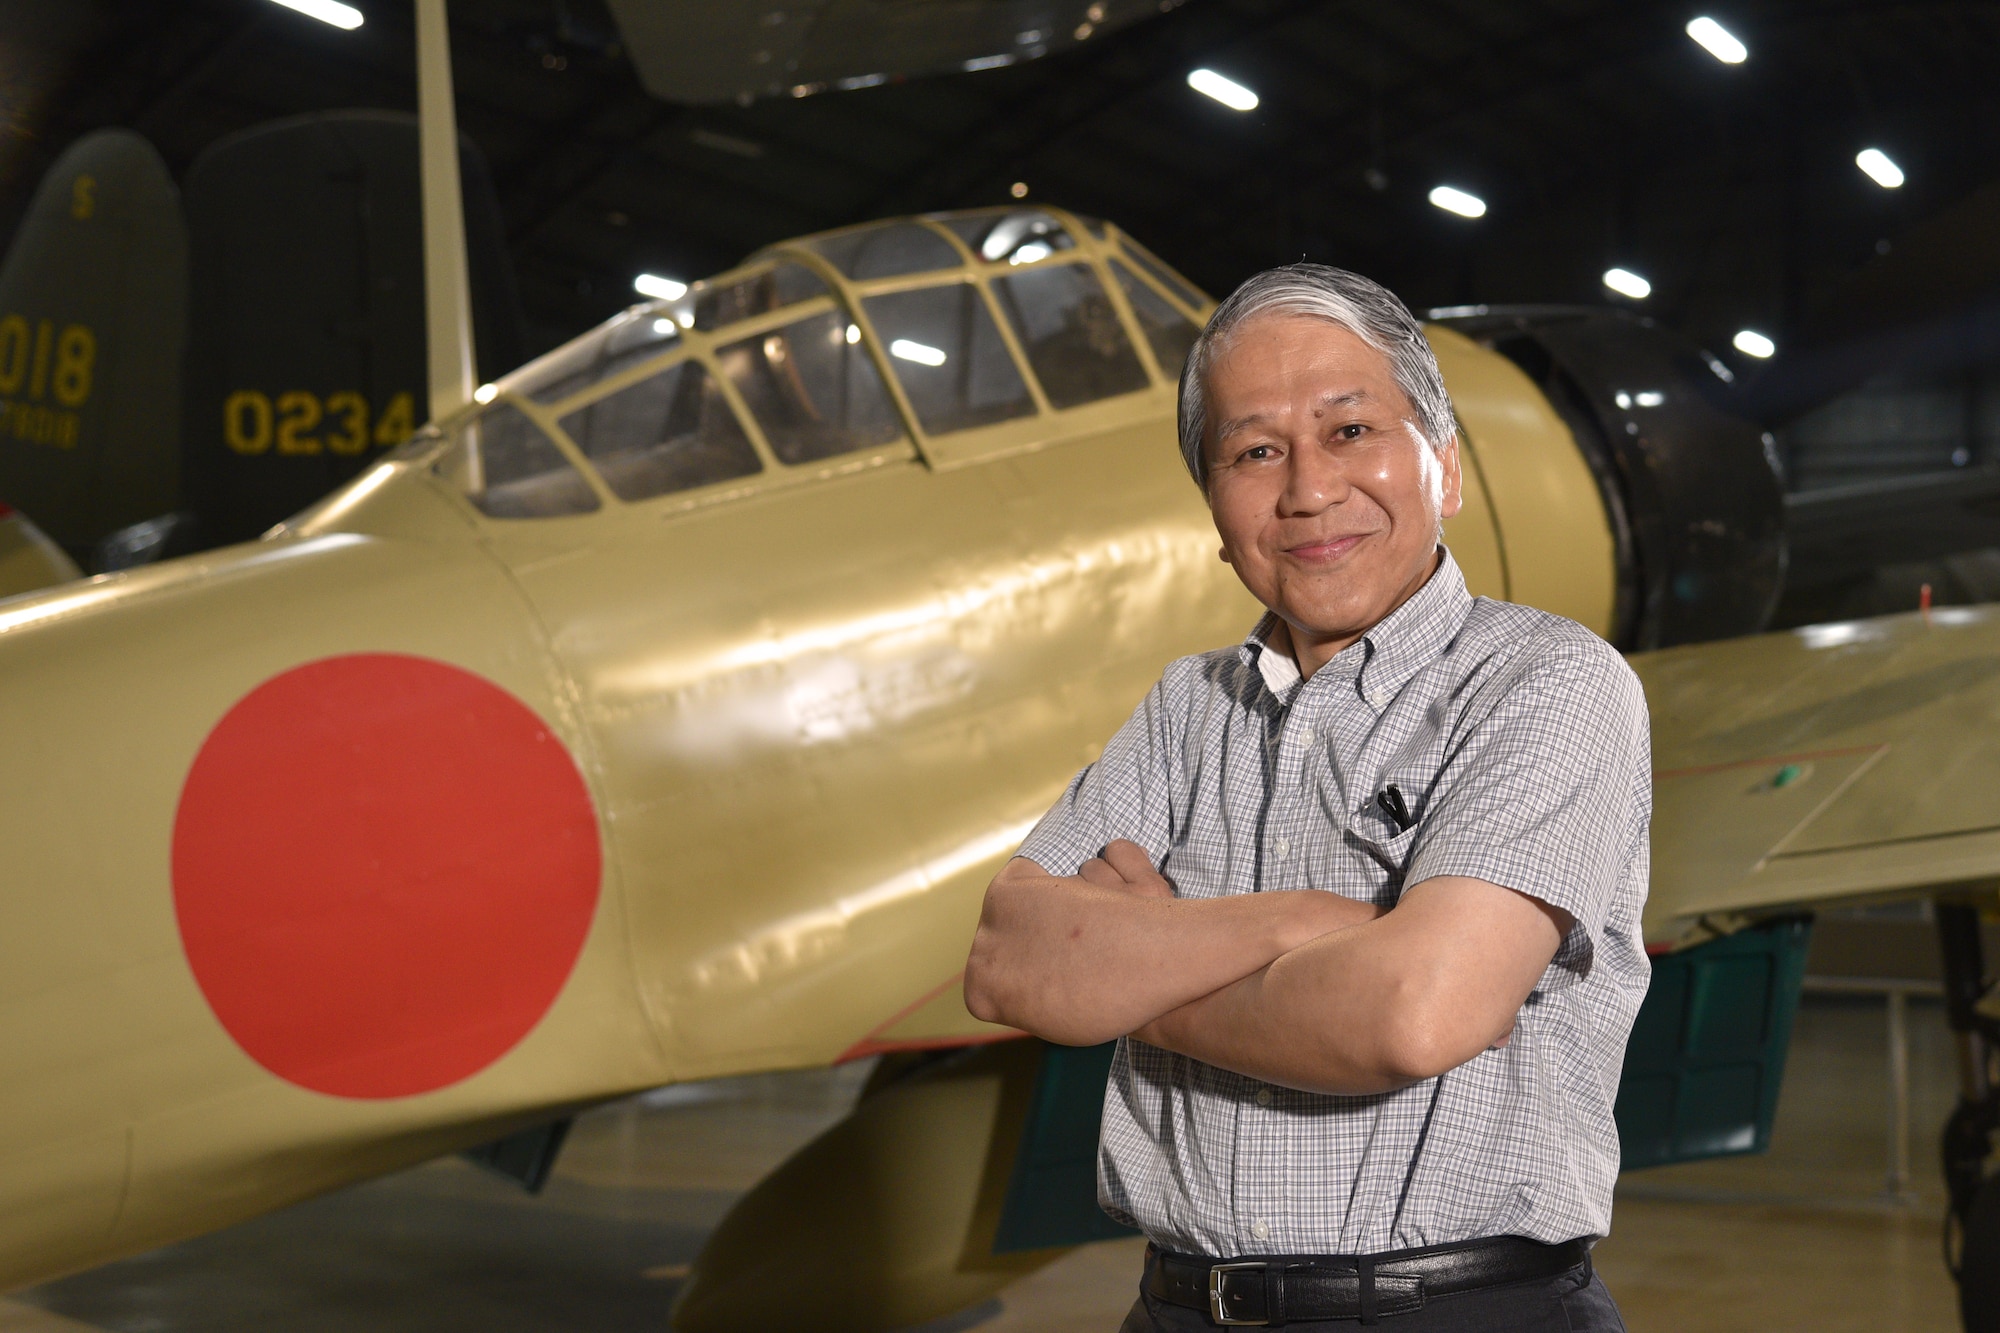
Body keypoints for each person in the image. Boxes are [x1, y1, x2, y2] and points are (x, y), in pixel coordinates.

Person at [963, 264, 1650, 1330]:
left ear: (1446, 468)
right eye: (1253, 451)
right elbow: (1009, 962)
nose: (1306, 490)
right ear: (1214, 506)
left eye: (1348, 431)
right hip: (1178, 1307)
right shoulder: (1186, 704)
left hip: (1457, 1310)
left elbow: (1409, 1013)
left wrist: (1133, 971)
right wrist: (1299, 927)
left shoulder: (1547, 682)